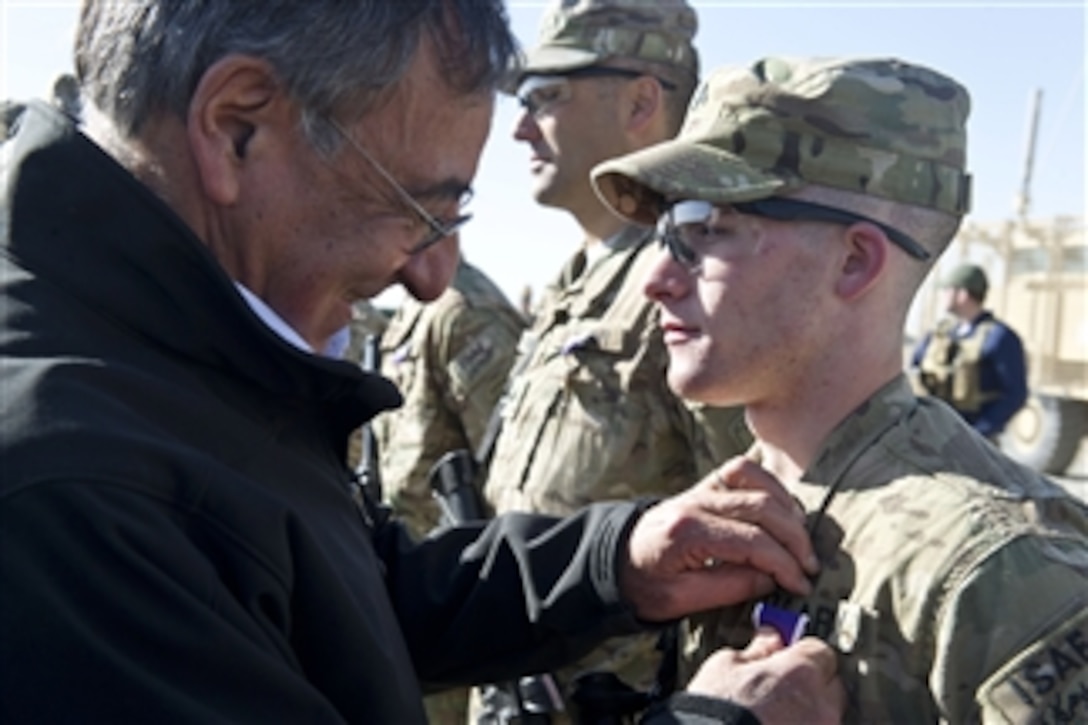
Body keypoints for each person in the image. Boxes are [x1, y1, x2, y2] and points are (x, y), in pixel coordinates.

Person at [0, 3, 846, 724]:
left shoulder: (174, 357)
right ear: (237, 128)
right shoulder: (71, 491)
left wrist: (611, 560)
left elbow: (347, 602)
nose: (432, 276)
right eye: (420, 209)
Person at [591, 54, 1088, 723]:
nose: (655, 277)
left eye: (704, 230)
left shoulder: (999, 575)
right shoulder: (731, 504)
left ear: (854, 261)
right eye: (664, 232)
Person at [478, 0, 755, 713]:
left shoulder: (692, 289)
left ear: (640, 101)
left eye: (545, 97)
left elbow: (756, 536)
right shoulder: (579, 280)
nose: (517, 126)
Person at [365, 255, 523, 723]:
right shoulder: (413, 314)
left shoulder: (465, 311)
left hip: (458, 592)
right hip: (419, 591)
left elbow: (505, 471)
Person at [910, 262, 1028, 440]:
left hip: (973, 441)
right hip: (931, 434)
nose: (942, 296)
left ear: (962, 294)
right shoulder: (939, 333)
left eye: (947, 290)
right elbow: (914, 370)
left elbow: (1015, 394)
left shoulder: (999, 337)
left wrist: (978, 432)